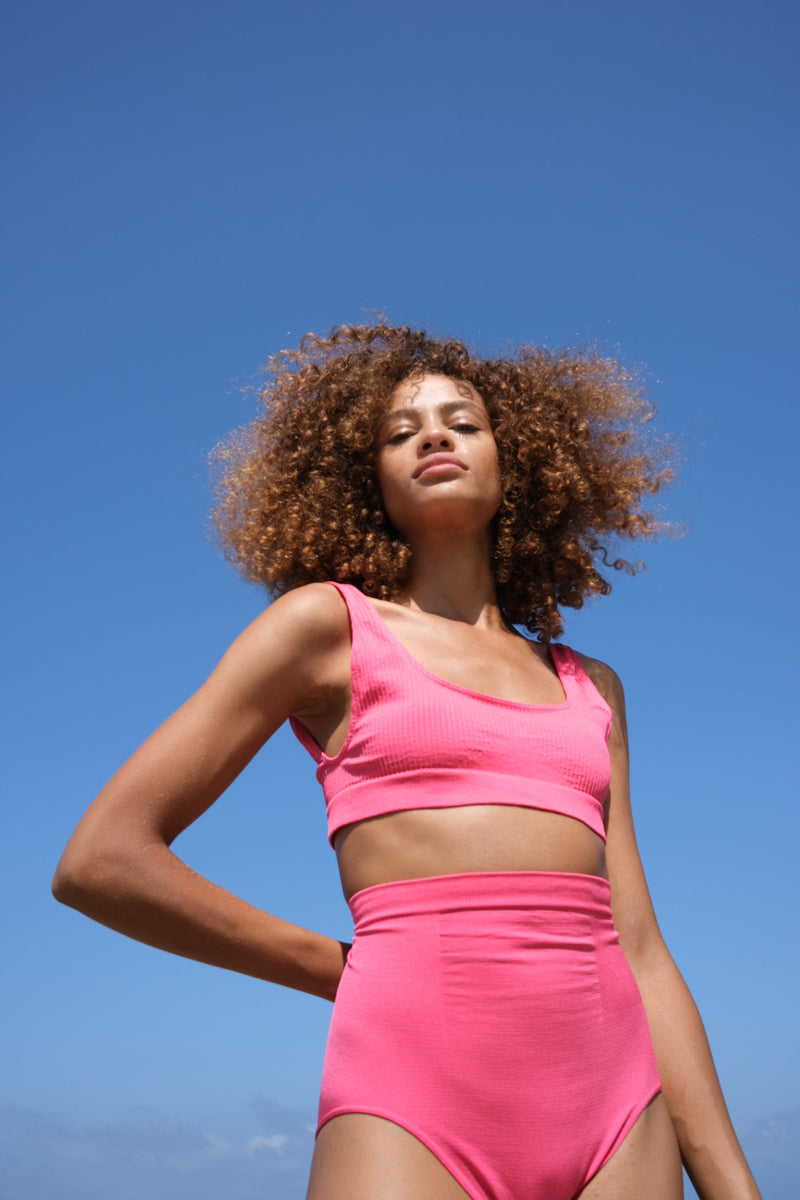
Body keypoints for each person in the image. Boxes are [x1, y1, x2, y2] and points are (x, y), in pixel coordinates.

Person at [53, 322, 761, 1200]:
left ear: (519, 465)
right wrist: (334, 966)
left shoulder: (593, 689)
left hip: (621, 1113)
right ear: (366, 483)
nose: (433, 436)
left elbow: (643, 952)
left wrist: (735, 1187)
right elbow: (102, 860)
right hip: (410, 1099)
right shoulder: (329, 630)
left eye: (462, 422)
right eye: (400, 431)